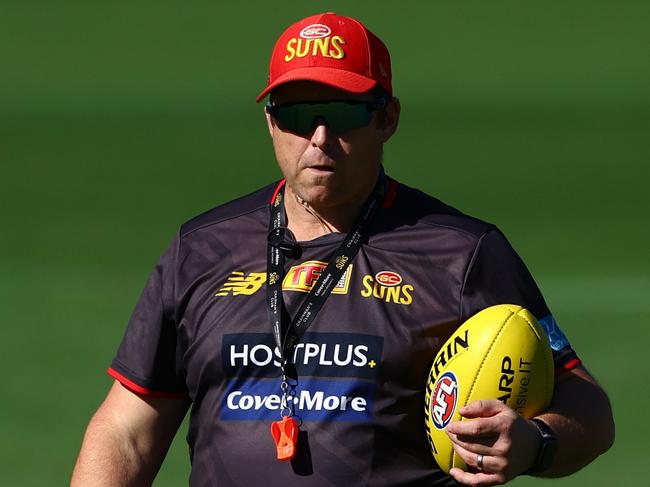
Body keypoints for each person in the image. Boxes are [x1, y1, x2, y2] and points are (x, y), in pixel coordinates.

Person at [71, 12, 614, 487]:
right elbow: (127, 432)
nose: (320, 138)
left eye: (346, 114)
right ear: (270, 121)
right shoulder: (202, 248)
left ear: (388, 118)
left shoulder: (462, 252)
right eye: (298, 115)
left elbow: (587, 406)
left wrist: (535, 443)